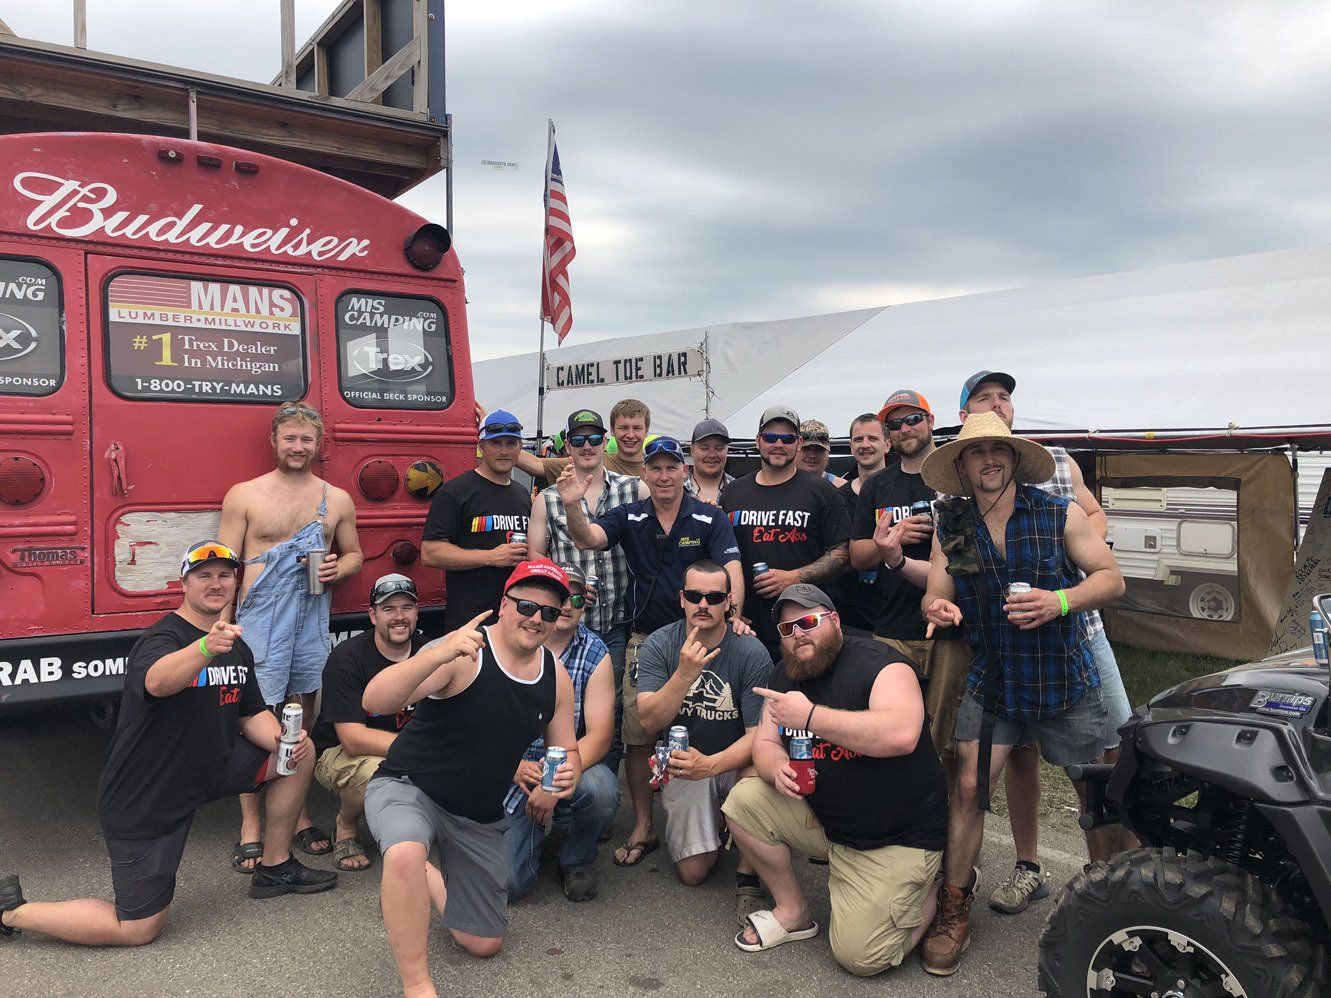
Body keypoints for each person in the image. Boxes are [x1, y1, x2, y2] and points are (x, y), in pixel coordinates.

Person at [0, 542, 336, 947]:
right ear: (184, 583)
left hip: (211, 769)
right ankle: (11, 912)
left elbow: (250, 713)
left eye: (225, 575)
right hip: (148, 794)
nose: (216, 583)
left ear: (236, 582)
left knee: (299, 756)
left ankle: (275, 866)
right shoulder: (164, 638)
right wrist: (205, 648)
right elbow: (157, 682)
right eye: (204, 575)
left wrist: (283, 740)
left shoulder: (238, 648)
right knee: (139, 928)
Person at [917, 412, 1125, 976]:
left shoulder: (1060, 513)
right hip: (994, 678)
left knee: (1096, 796)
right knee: (967, 788)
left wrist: (1059, 602)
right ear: (961, 465)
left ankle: (1120, 908)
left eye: (998, 451)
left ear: (1013, 460)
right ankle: (954, 907)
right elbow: (937, 588)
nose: (989, 460)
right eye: (977, 453)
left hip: (1063, 676)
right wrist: (937, 606)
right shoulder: (951, 522)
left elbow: (1111, 577)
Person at [958, 369, 1137, 914]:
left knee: (1103, 757)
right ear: (964, 417)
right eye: (984, 398)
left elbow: (1103, 547)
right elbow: (946, 576)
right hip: (1006, 653)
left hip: (1076, 635)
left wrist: (1063, 579)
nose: (998, 403)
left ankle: (1115, 884)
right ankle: (1026, 867)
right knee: (1016, 756)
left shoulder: (1058, 466)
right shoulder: (957, 515)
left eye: (1004, 397)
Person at [363, 560, 581, 995]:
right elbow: (375, 701)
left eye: (549, 612)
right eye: (526, 605)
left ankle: (425, 872)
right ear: (503, 604)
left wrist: (566, 775)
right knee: (404, 850)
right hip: (411, 785)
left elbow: (565, 748)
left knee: (482, 942)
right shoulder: (465, 652)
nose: (536, 618)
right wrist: (437, 653)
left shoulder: (554, 674)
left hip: (477, 813)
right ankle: (417, 983)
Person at [722, 584, 948, 976]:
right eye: (788, 629)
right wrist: (775, 763)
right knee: (743, 801)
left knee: (861, 958)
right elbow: (764, 742)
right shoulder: (785, 674)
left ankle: (936, 888)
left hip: (895, 837)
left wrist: (811, 717)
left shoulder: (882, 664)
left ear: (835, 622)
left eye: (808, 622)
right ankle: (793, 911)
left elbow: (902, 734)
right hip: (831, 824)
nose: (798, 635)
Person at [557, 435, 745, 869]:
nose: (663, 475)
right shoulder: (630, 514)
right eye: (655, 468)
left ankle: (719, 817)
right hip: (646, 636)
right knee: (639, 732)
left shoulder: (709, 516)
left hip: (703, 637)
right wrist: (571, 505)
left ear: (685, 472)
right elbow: (587, 538)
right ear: (644, 474)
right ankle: (644, 825)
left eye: (671, 467)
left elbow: (731, 568)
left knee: (710, 721)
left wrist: (733, 612)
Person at [219, 401, 363, 869]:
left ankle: (297, 813)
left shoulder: (335, 499)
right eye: (290, 438)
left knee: (302, 710)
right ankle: (251, 823)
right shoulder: (244, 494)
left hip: (309, 619)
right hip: (258, 620)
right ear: (275, 442)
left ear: (319, 445)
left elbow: (356, 555)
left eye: (307, 439)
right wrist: (223, 625)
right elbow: (226, 565)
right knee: (253, 714)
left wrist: (338, 566)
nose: (298, 447)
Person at [849, 391, 970, 798]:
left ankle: (946, 845)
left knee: (945, 745)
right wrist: (890, 543)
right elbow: (856, 554)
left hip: (951, 631)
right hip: (892, 628)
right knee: (888, 735)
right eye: (895, 424)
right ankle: (896, 825)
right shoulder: (878, 484)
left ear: (931, 420)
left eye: (912, 419)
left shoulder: (955, 476)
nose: (904, 429)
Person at [636, 560, 773, 919]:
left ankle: (748, 873)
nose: (703, 605)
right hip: (684, 761)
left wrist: (710, 766)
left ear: (729, 603)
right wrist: (684, 675)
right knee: (694, 872)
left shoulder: (751, 652)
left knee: (758, 779)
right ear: (681, 598)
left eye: (714, 597)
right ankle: (719, 823)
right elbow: (650, 721)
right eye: (695, 595)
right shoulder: (659, 644)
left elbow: (759, 736)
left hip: (733, 760)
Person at [528, 407, 641, 776]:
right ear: (568, 445)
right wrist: (565, 586)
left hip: (616, 622)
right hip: (562, 626)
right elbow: (534, 561)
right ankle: (549, 784)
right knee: (556, 705)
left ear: (604, 441)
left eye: (594, 438)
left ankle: (599, 794)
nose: (588, 446)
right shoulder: (547, 498)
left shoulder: (632, 489)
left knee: (612, 714)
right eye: (578, 440)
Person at [504, 565, 620, 903]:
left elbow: (600, 735)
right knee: (510, 884)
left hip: (565, 760)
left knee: (601, 787)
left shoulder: (595, 651)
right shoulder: (506, 643)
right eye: (559, 598)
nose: (567, 605)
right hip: (510, 768)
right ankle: (534, 833)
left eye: (576, 597)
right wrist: (511, 768)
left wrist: (552, 785)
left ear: (585, 604)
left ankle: (576, 860)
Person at [313, 574, 425, 873]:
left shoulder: (430, 653)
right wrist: (420, 751)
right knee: (378, 773)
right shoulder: (347, 657)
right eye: (389, 609)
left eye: (407, 607)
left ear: (417, 612)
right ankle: (346, 825)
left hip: (407, 747)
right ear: (373, 615)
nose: (399, 617)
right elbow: (352, 738)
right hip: (340, 753)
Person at [723, 405, 852, 659]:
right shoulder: (733, 493)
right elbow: (721, 557)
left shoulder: (822, 492)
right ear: (758, 441)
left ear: (799, 443)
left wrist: (795, 576)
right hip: (747, 628)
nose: (778, 444)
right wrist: (731, 609)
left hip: (806, 629)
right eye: (771, 437)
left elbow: (843, 553)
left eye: (788, 438)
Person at [422, 409, 532, 632]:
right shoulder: (455, 492)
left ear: (520, 447)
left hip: (514, 622)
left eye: (511, 443)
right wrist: (491, 557)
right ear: (481, 447)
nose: (504, 451)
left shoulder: (523, 495)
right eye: (496, 443)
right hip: (469, 624)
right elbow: (430, 553)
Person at [829, 413, 890, 633]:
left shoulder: (902, 491)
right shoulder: (837, 498)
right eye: (858, 439)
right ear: (850, 446)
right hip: (850, 619)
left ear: (887, 444)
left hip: (897, 615)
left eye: (873, 439)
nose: (865, 445)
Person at [519, 398, 652, 481]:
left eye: (637, 428)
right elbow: (536, 464)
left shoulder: (659, 468)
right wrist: (502, 443)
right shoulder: (594, 461)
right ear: (612, 430)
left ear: (646, 430)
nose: (630, 435)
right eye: (623, 428)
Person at [686, 417, 735, 505]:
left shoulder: (740, 490)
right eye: (704, 448)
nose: (712, 455)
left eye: (719, 448)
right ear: (692, 450)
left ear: (727, 451)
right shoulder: (675, 489)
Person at [797, 418, 846, 486]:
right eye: (806, 448)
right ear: (795, 449)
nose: (812, 455)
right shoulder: (780, 483)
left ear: (827, 453)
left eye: (819, 449)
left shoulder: (841, 487)